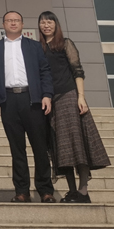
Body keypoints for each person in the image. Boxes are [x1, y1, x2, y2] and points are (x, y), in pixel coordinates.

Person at [38, 11, 110, 203]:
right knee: (62, 149)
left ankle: (83, 191)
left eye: (50, 22)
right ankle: (72, 191)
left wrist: (81, 97)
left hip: (69, 97)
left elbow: (77, 70)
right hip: (50, 103)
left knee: (77, 145)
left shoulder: (65, 43)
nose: (46, 25)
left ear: (56, 24)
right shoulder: (39, 48)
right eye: (43, 22)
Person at [0, 11, 56, 203]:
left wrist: (47, 95)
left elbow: (45, 72)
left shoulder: (34, 46)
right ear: (3, 24)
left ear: (22, 24)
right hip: (8, 101)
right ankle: (22, 191)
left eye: (16, 20)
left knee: (40, 147)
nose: (13, 23)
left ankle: (45, 190)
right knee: (17, 149)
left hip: (32, 99)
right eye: (9, 20)